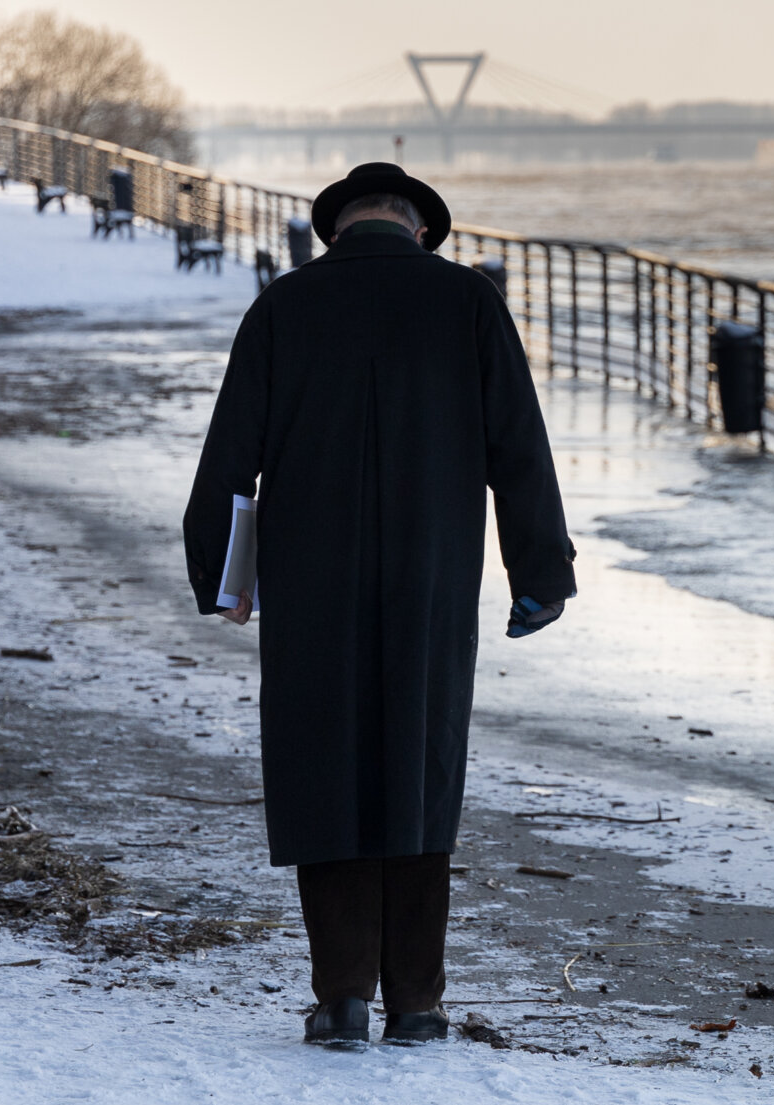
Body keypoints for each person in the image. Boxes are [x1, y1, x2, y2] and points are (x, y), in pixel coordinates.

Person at [182, 162, 576, 1048]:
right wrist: (539, 574)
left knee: (324, 766)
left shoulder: (283, 305)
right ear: (420, 229)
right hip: (431, 574)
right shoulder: (468, 302)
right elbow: (519, 448)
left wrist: (224, 577)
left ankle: (344, 996)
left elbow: (228, 458)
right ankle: (420, 1002)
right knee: (419, 765)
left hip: (311, 576)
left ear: (339, 229)